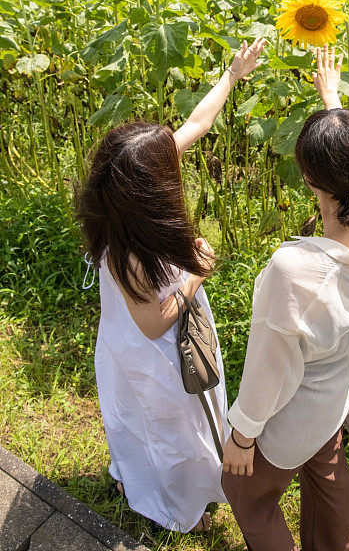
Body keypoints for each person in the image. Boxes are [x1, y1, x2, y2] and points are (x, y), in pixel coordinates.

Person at [76, 38, 265, 534]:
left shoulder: (122, 189)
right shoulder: (128, 253)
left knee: (143, 425)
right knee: (171, 431)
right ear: (151, 186)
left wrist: (232, 75)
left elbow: (197, 125)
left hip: (128, 347)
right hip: (151, 356)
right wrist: (198, 271)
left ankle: (140, 480)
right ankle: (176, 507)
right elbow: (153, 325)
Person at [222, 45, 349, 551]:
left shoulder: (295, 271)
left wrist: (242, 436)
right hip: (335, 401)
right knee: (327, 484)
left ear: (308, 180)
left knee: (245, 492)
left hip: (286, 426)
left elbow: (268, 367)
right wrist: (332, 100)